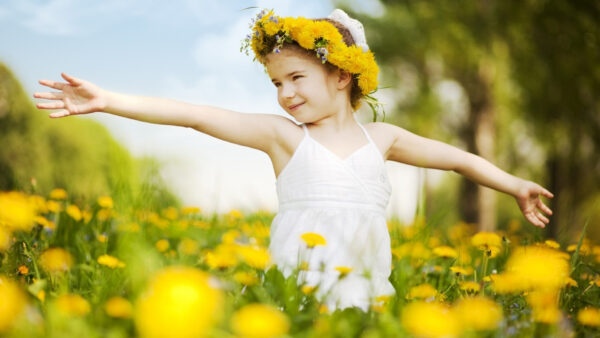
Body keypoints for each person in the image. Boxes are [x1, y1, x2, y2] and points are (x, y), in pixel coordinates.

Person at [34, 8, 553, 312]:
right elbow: (193, 114)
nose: (284, 94)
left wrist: (514, 185)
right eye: (277, 83)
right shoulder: (283, 138)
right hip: (296, 292)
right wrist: (109, 100)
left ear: (342, 76)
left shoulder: (385, 139)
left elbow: (459, 159)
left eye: (296, 79)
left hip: (369, 296)